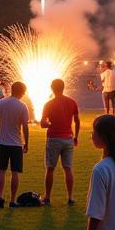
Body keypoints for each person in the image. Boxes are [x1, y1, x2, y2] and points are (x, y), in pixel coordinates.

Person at [40, 77, 80, 205]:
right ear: (64, 88)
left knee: (50, 169)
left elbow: (43, 123)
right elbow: (77, 121)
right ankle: (70, 197)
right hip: (68, 138)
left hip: (53, 139)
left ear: (52, 88)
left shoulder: (48, 104)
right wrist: (76, 136)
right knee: (68, 168)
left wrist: (49, 124)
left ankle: (47, 197)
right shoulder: (72, 102)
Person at [0, 80, 29, 208]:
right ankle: (12, 200)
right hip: (16, 143)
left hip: (2, 142)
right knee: (15, 172)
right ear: (22, 92)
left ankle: (0, 197)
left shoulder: (0, 103)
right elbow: (25, 127)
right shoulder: (22, 106)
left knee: (1, 170)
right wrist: (26, 143)